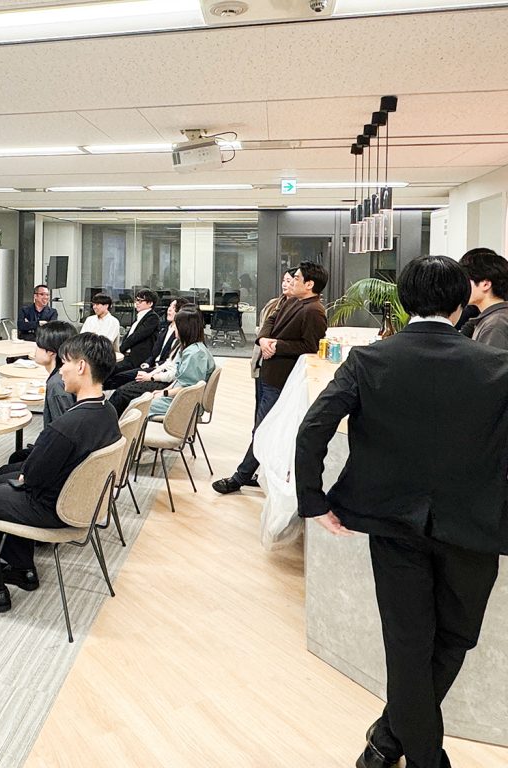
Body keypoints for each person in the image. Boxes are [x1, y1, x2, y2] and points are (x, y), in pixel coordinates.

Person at [294, 255, 508, 768]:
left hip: (392, 524)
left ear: (406, 302)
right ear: (461, 302)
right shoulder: (497, 366)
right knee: (456, 636)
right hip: (475, 525)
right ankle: (426, 757)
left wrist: (314, 500)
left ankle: (389, 739)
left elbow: (312, 428)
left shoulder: (370, 360)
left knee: (409, 645)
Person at [0, 333, 121, 613]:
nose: (61, 370)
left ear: (81, 367)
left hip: (51, 507)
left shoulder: (66, 427)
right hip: (81, 502)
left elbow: (32, 477)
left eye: (65, 363)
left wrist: (25, 476)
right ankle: (21, 569)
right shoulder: (107, 411)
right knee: (3, 479)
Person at [212, 261, 328, 495]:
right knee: (261, 426)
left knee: (263, 428)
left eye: (296, 278)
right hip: (268, 374)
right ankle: (259, 473)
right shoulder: (292, 301)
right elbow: (270, 321)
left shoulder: (314, 310)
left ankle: (240, 477)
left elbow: (310, 346)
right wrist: (264, 340)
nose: (291, 282)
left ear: (309, 284)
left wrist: (277, 345)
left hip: (282, 379)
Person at [0, 320, 76, 476]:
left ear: (51, 352)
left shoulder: (57, 385)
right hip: (56, 452)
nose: (34, 350)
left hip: (58, 462)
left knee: (1, 474)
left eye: (38, 346)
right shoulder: (61, 377)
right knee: (16, 457)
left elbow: (63, 436)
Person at [105, 297, 188, 410]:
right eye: (169, 306)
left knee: (122, 386)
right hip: (153, 368)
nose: (169, 309)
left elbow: (172, 369)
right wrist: (148, 364)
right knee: (116, 376)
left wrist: (151, 376)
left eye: (173, 308)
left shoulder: (179, 338)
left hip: (159, 373)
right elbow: (156, 354)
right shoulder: (165, 329)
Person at [147, 308, 217, 417]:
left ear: (184, 328)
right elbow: (180, 380)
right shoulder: (190, 349)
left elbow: (188, 387)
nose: (174, 328)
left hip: (184, 401)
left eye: (176, 325)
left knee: (138, 407)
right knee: (138, 402)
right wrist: (163, 391)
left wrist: (164, 393)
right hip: (179, 397)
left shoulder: (195, 354)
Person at [250, 269, 295, 417]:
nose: (285, 284)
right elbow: (262, 327)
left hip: (280, 365)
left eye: (289, 281)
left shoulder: (302, 309)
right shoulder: (273, 305)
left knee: (272, 411)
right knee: (260, 405)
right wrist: (262, 339)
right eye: (284, 280)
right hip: (261, 360)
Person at [106, 288, 161, 380]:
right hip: (127, 356)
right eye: (136, 300)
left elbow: (137, 336)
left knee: (110, 371)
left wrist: (122, 348)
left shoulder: (152, 317)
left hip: (137, 359)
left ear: (150, 303)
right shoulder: (139, 317)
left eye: (140, 301)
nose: (137, 303)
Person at [458, 247, 508, 348]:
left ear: (485, 284)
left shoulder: (495, 324)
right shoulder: (493, 319)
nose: (462, 286)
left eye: (466, 281)